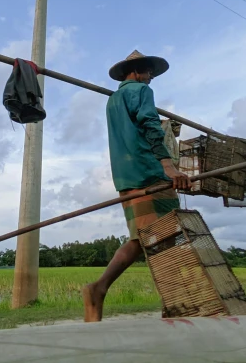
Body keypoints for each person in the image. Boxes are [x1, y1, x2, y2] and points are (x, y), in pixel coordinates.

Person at [82, 50, 191, 322]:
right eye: (148, 71)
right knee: (167, 235)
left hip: (126, 177)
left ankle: (99, 288)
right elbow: (151, 126)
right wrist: (168, 165)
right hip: (150, 173)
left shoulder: (113, 100)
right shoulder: (141, 91)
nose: (151, 76)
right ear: (136, 72)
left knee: (142, 237)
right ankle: (176, 301)